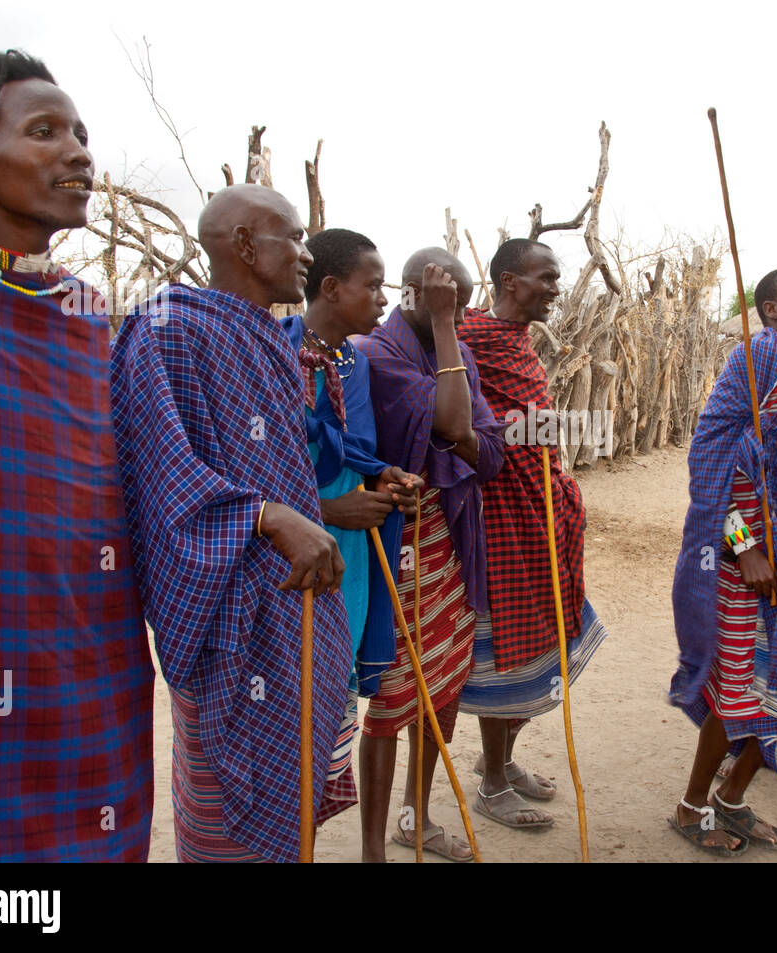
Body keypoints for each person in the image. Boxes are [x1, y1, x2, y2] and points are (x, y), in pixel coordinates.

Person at [0, 50, 154, 862]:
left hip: (88, 666)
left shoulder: (92, 316)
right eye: (44, 132)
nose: (79, 153)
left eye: (81, 134)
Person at [111, 184, 349, 863]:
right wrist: (264, 516)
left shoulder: (270, 339)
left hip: (297, 601)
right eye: (294, 237)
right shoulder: (168, 329)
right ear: (246, 245)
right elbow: (160, 477)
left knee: (297, 790)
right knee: (233, 813)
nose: (305, 253)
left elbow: (287, 466)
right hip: (229, 612)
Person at [670, 265, 777, 855]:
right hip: (740, 552)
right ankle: (692, 807)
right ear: (770, 309)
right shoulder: (756, 361)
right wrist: (743, 545)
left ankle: (733, 799)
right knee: (739, 681)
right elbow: (710, 454)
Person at [355, 247, 504, 862]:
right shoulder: (376, 354)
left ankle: (414, 820)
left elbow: (489, 452)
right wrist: (444, 331)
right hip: (395, 548)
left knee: (441, 690)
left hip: (449, 544)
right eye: (451, 303)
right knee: (394, 698)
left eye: (465, 307)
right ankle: (372, 850)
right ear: (416, 292)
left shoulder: (456, 353)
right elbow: (450, 424)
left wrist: (459, 430)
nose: (462, 317)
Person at [458, 238, 609, 830]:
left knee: (540, 646)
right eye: (545, 278)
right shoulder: (464, 340)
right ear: (508, 280)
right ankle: (493, 783)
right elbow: (455, 422)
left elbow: (527, 424)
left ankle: (502, 760)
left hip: (541, 513)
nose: (555, 288)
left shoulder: (519, 342)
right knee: (504, 658)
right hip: (497, 520)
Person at [280, 228, 424, 820]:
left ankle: (309, 812)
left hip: (352, 549)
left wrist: (386, 476)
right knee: (293, 686)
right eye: (373, 286)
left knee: (332, 678)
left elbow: (354, 448)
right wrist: (324, 510)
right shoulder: (275, 353)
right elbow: (258, 468)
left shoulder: (351, 363)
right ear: (333, 288)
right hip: (293, 543)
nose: (384, 299)